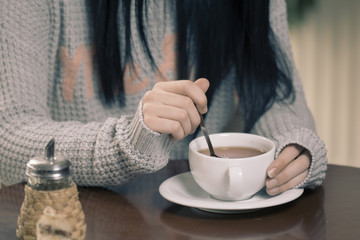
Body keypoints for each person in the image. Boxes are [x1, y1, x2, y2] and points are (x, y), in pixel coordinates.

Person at [0, 0, 327, 196]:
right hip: (76, 218)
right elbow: (8, 134)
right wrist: (124, 144)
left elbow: (276, 94)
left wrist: (292, 148)